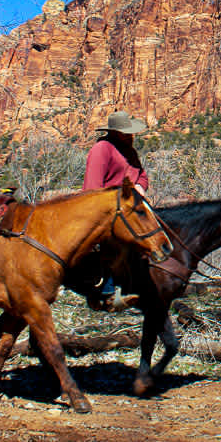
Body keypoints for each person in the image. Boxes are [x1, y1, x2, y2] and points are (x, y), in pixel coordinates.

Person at [82, 110, 148, 311]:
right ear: (116, 132)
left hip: (129, 209)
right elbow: (93, 188)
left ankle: (138, 289)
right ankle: (108, 294)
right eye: (127, 132)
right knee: (114, 245)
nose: (131, 136)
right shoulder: (102, 149)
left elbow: (142, 176)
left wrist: (140, 188)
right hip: (109, 211)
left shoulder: (130, 151)